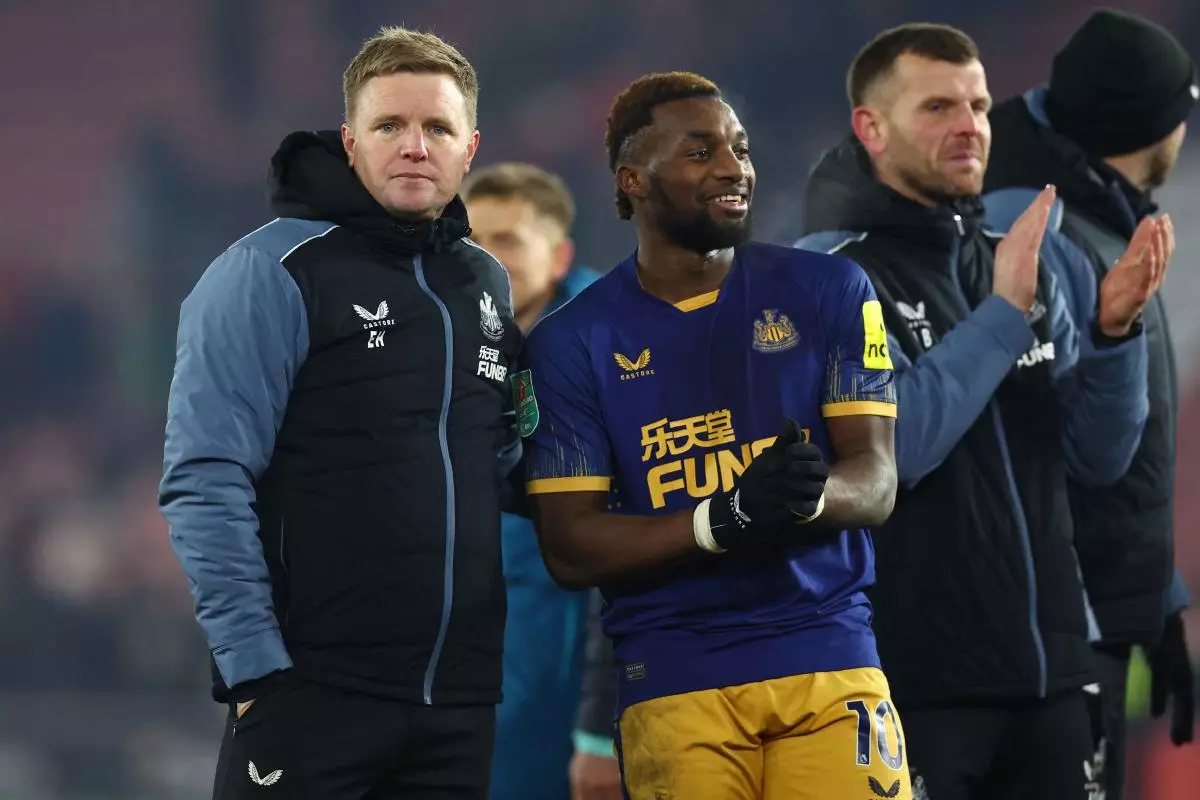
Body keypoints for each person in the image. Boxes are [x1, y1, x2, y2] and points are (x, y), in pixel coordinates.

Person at [794, 23, 1168, 800]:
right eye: (937, 107)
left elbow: (1097, 458)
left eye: (979, 105)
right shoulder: (830, 277)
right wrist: (1003, 316)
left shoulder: (1018, 256)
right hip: (916, 687)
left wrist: (1113, 334)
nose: (969, 126)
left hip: (1055, 679)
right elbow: (899, 448)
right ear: (872, 128)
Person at [519, 70, 911, 800]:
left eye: (739, 147)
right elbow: (570, 547)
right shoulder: (569, 343)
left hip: (830, 660)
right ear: (633, 178)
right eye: (701, 152)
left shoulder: (831, 290)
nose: (734, 167)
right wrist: (724, 518)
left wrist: (799, 496)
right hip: (674, 678)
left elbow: (876, 479)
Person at [159, 27, 520, 799]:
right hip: (312, 694)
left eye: (438, 128)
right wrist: (253, 667)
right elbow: (204, 478)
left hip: (458, 707)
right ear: (351, 142)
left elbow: (500, 462)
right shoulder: (268, 271)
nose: (415, 147)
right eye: (390, 126)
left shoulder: (484, 282)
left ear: (471, 148)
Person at [981, 12, 1196, 795]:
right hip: (1053, 634)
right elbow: (1061, 447)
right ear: (1150, 123)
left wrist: (1157, 598)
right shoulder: (1034, 226)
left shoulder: (1105, 210)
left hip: (1097, 613)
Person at [460, 162, 600, 800]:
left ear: (560, 253)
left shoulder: (613, 342)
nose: (487, 259)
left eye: (508, 241)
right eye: (473, 240)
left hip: (573, 657)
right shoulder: (442, 337)